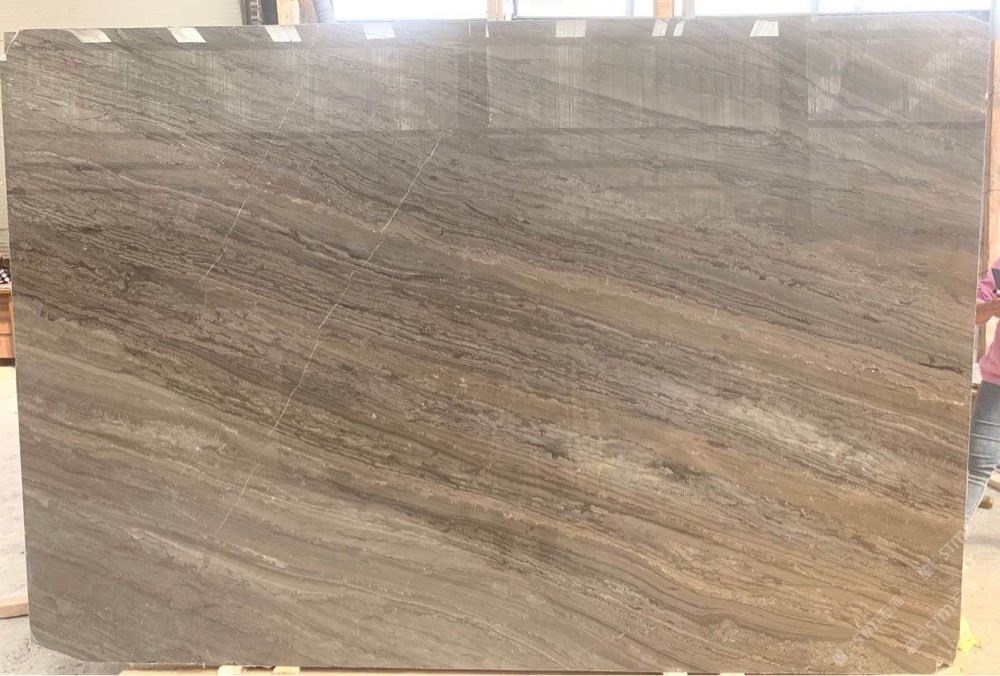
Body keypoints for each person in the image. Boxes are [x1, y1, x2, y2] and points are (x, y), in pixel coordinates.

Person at [969, 260, 1000, 523]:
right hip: (997, 383)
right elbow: (973, 312)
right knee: (976, 467)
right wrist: (991, 307)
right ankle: (953, 540)